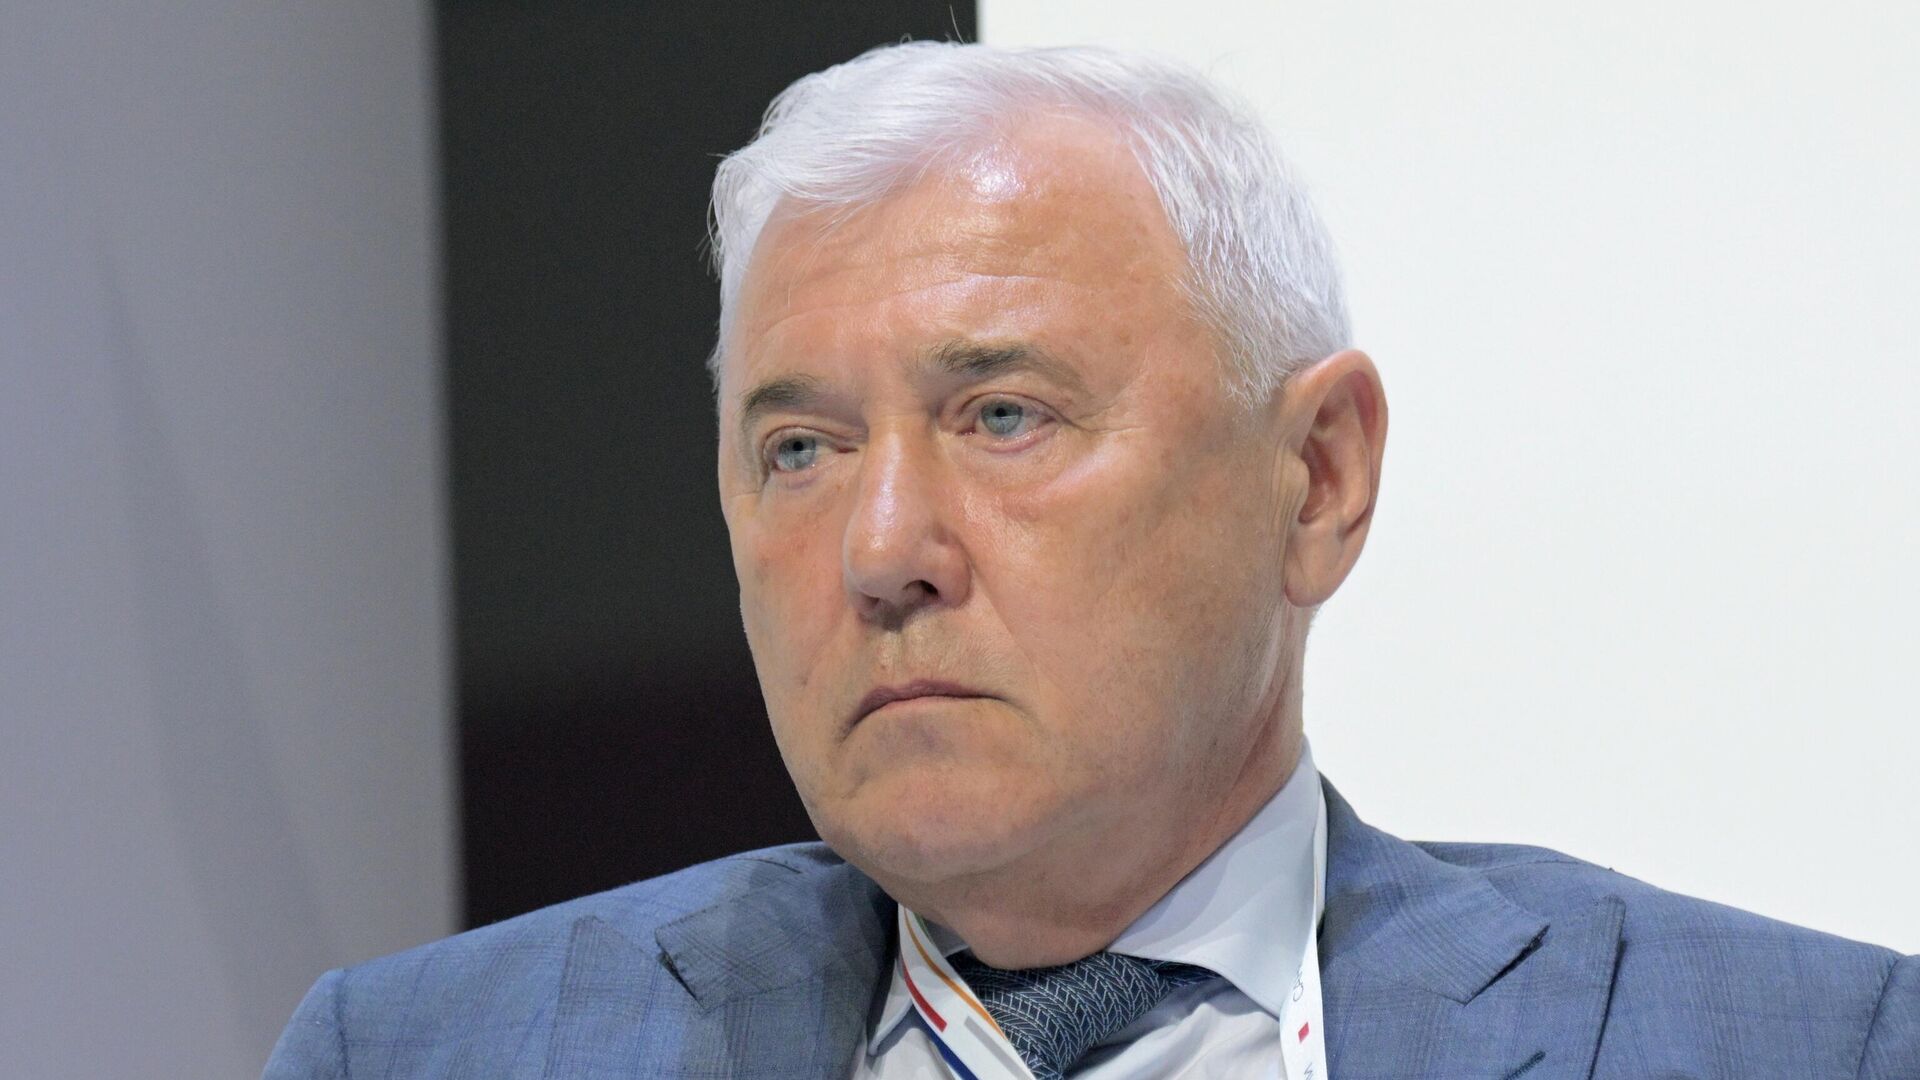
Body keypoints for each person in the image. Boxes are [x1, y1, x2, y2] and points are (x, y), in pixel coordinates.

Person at [265, 41, 1916, 1079]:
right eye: (801, 449)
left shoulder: (1801, 1047)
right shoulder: (415, 1056)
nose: (882, 551)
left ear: (1317, 480)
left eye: (1002, 416)